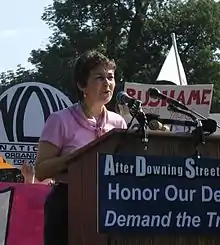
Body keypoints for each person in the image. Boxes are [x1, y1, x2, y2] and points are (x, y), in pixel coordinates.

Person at [35, 50, 127, 245]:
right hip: (67, 205)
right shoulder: (60, 120)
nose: (107, 83)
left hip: (107, 206)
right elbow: (41, 170)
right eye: (99, 78)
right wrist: (79, 158)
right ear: (81, 84)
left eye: (110, 77)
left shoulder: (118, 123)